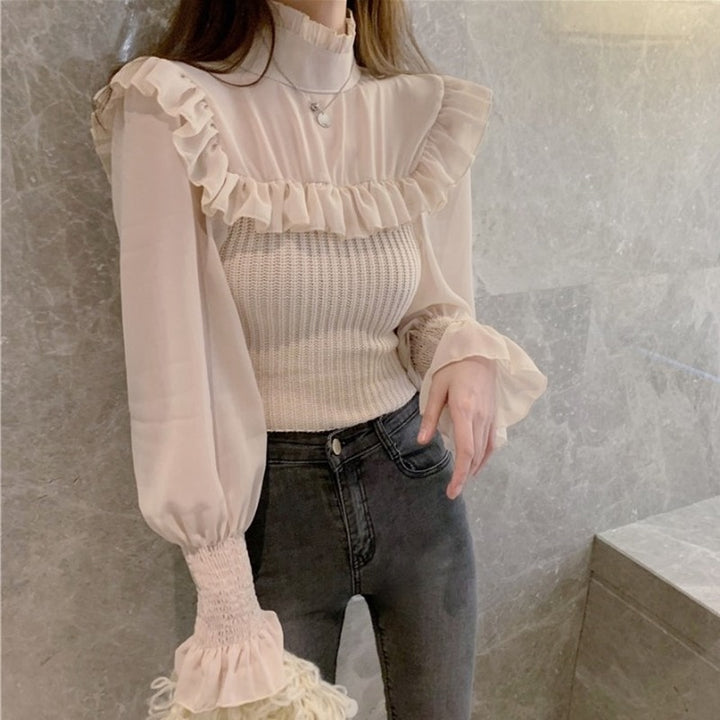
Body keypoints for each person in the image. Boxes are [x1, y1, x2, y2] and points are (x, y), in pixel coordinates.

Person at [90, 1, 548, 718]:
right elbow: (168, 370)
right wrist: (222, 583)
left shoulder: (417, 111)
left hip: (414, 479)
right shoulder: (172, 105)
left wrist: (461, 352)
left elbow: (428, 310)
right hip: (272, 513)